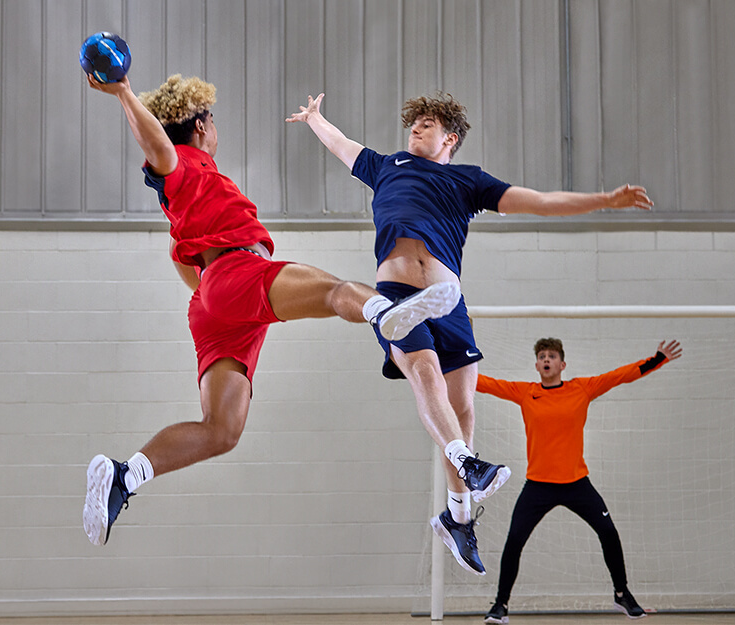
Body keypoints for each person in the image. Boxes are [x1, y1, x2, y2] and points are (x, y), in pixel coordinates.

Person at [81, 71, 462, 546]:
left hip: (213, 301)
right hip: (234, 277)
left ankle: (125, 476)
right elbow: (158, 147)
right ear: (200, 124)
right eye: (212, 119)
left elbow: (182, 260)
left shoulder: (190, 194)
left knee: (221, 430)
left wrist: (211, 290)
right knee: (336, 290)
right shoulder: (184, 162)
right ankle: (388, 315)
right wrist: (122, 93)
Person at [288, 92, 655, 575]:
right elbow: (340, 144)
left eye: (426, 124)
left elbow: (540, 203)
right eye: (412, 124)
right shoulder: (385, 165)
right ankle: (468, 461)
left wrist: (604, 200)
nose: (415, 129)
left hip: (448, 301)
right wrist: (316, 118)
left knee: (463, 408)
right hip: (398, 294)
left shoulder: (469, 180)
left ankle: (459, 516)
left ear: (450, 138)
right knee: (424, 375)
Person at [474, 338, 683, 622]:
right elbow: (483, 383)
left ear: (562, 364)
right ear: (536, 365)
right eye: (542, 356)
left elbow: (618, 376)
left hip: (576, 484)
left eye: (552, 356)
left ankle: (622, 595)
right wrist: (446, 366)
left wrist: (658, 359)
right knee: (514, 541)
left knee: (608, 532)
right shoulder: (526, 393)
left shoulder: (581, 388)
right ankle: (501, 605)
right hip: (538, 486)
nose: (547, 360)